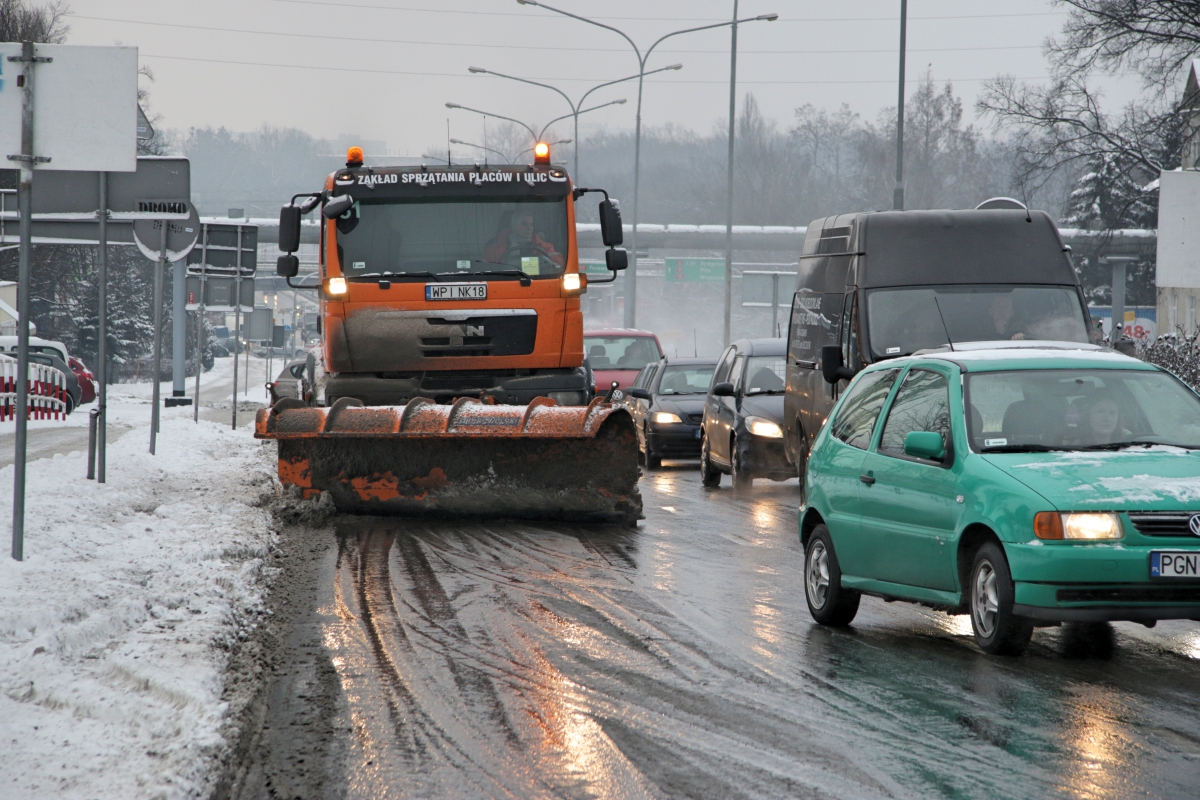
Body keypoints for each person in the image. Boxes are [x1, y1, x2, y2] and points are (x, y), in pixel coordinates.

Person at [482, 208, 564, 269]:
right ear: (513, 226)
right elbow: (486, 270)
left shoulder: (544, 247)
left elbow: (558, 264)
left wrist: (551, 265)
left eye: (531, 224)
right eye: (524, 224)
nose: (529, 228)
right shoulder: (494, 250)